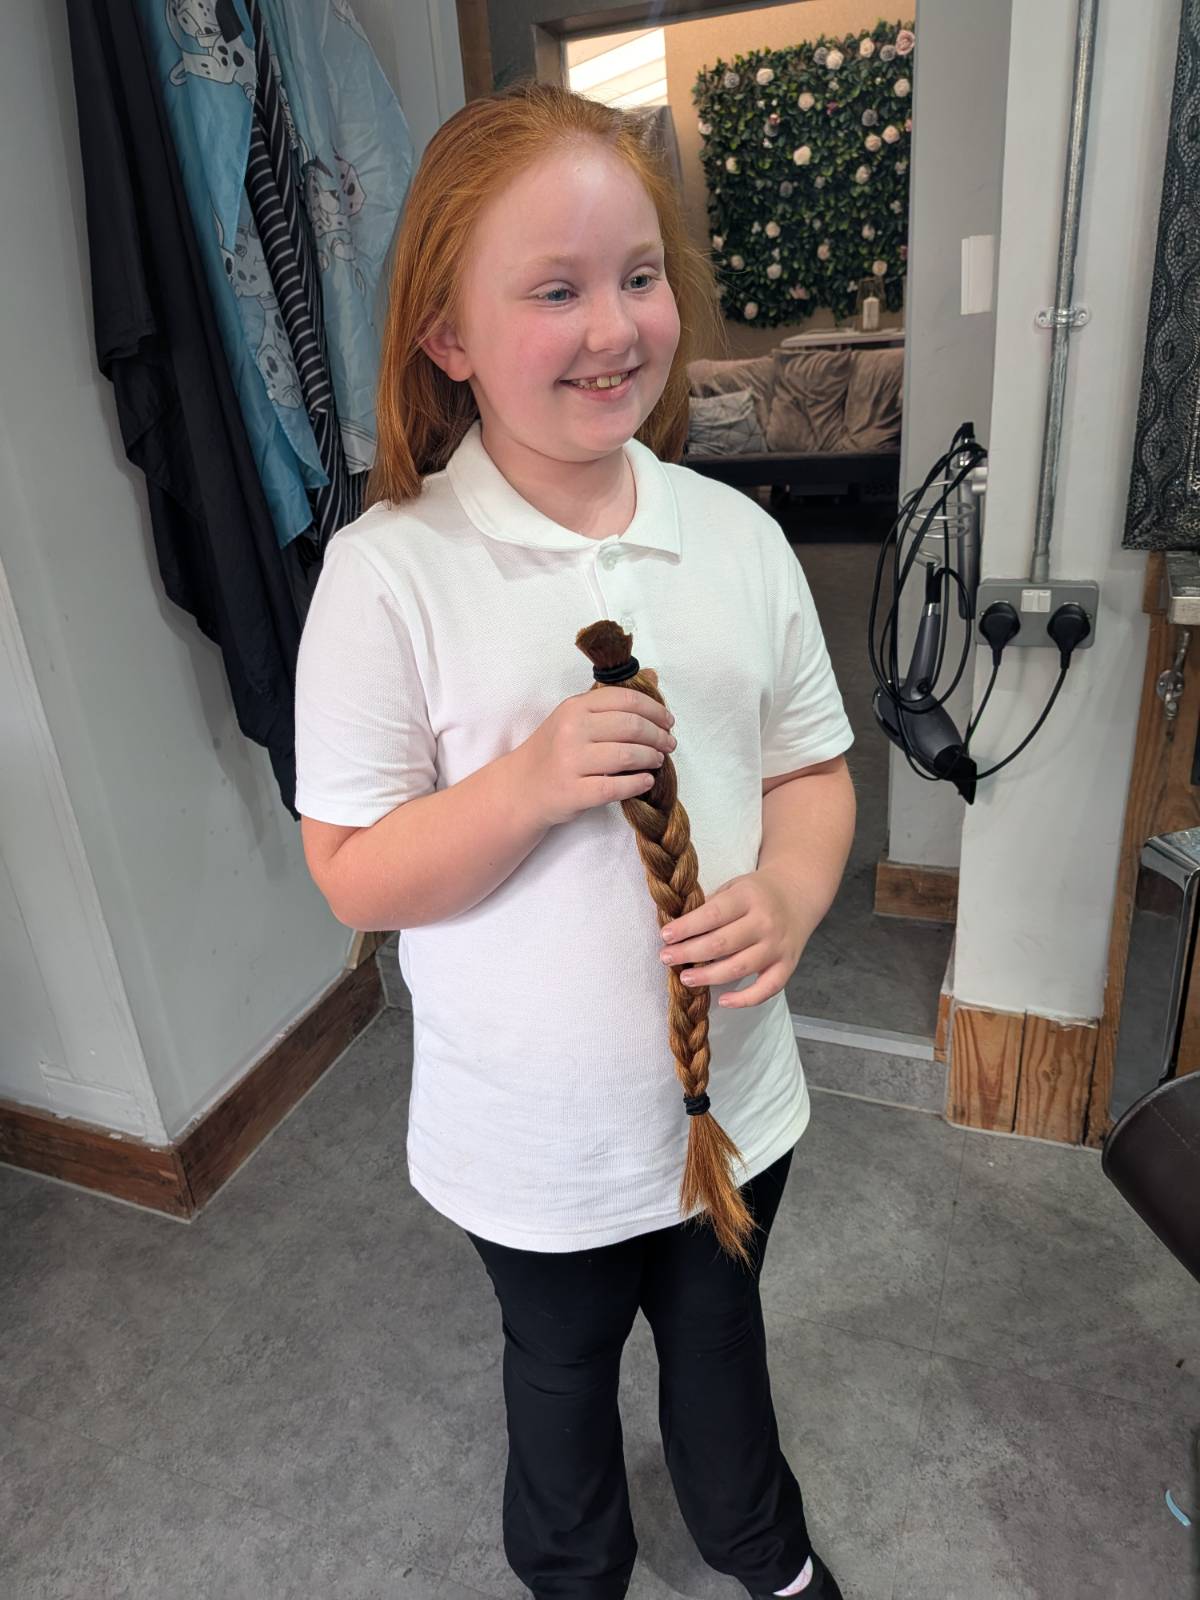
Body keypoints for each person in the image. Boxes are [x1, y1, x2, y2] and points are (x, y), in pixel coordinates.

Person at [294, 81, 857, 1600]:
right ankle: (573, 1575)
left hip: (735, 1104)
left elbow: (811, 768)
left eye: (639, 276)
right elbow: (350, 868)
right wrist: (528, 786)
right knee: (558, 1375)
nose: (614, 328)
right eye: (555, 291)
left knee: (724, 1344)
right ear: (447, 335)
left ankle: (762, 1549)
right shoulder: (389, 575)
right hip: (530, 1141)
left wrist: (792, 891)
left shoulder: (735, 539)